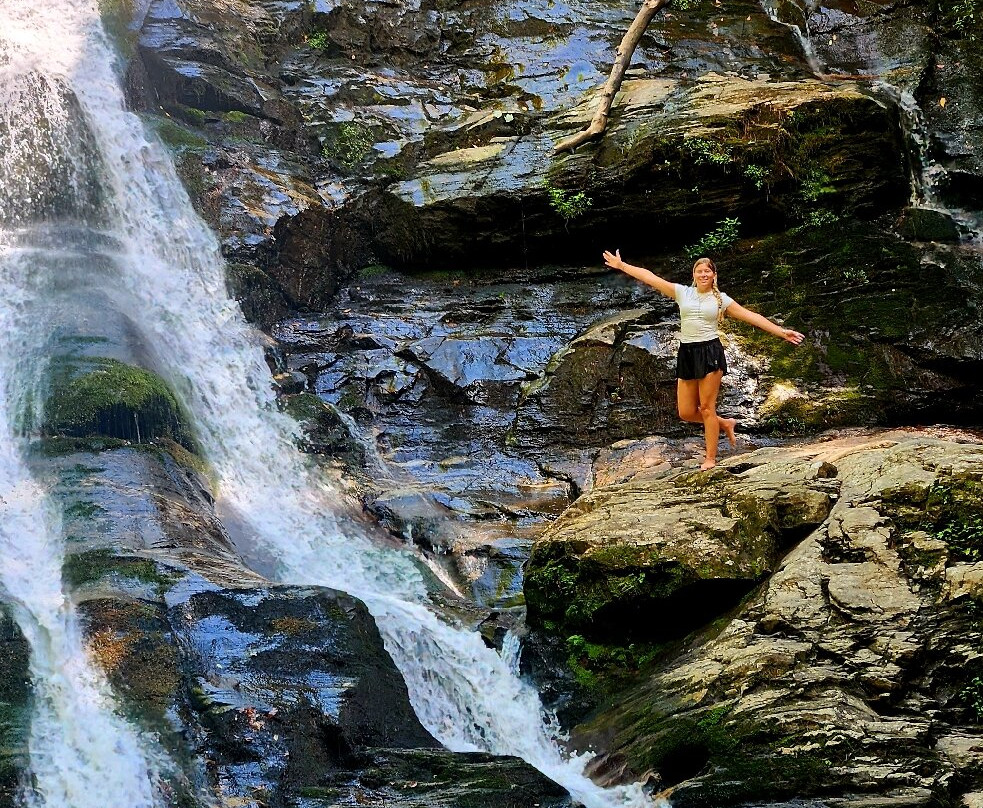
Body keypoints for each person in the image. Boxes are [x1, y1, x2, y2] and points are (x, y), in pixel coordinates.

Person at [602, 249, 805, 470]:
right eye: (700, 271)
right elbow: (650, 277)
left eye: (708, 271)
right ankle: (724, 424)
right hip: (687, 352)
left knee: (707, 408)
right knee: (686, 412)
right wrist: (622, 266)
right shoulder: (682, 293)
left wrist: (781, 332)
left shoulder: (722, 301)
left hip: (710, 352)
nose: (703, 274)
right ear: (694, 275)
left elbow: (751, 317)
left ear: (714, 276)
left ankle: (710, 458)